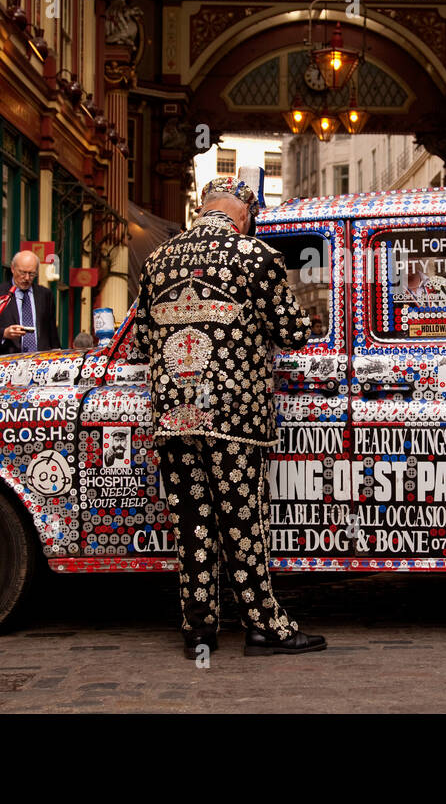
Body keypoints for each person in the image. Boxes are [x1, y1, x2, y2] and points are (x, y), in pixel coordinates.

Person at [132, 177, 326, 659]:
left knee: (191, 521)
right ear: (246, 214)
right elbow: (291, 330)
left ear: (202, 208)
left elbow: (141, 338)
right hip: (234, 415)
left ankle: (199, 630)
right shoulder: (255, 256)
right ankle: (265, 627)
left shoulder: (157, 259)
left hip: (175, 412)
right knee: (241, 520)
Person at [0, 250, 60, 355]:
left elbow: (52, 333)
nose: (27, 278)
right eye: (22, 272)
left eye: (31, 274)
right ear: (13, 269)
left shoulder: (45, 295)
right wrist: (4, 333)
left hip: (39, 362)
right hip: (6, 361)